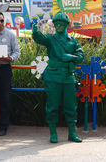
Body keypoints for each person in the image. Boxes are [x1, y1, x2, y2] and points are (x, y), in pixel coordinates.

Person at [32, 12, 84, 143]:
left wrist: (71, 57)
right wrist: (34, 31)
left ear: (67, 25)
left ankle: (72, 133)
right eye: (57, 24)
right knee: (52, 105)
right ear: (54, 25)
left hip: (68, 76)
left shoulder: (72, 41)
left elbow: (81, 56)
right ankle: (53, 133)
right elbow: (40, 38)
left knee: (71, 105)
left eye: (62, 24)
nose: (59, 26)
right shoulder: (50, 39)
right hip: (53, 75)